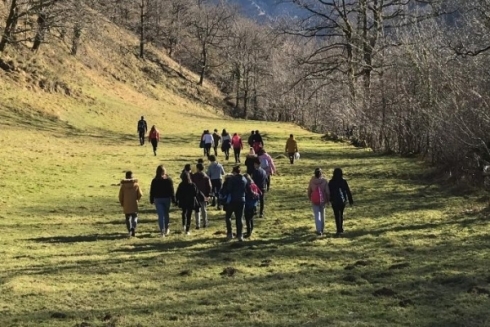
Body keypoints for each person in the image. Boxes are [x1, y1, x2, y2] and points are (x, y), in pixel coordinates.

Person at [224, 165, 248, 241]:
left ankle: (230, 233)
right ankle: (240, 235)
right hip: (241, 199)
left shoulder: (232, 179)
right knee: (240, 218)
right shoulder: (244, 179)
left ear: (234, 172)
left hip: (232, 200)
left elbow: (229, 189)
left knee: (228, 216)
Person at [149, 165, 175, 237]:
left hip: (158, 199)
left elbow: (152, 191)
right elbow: (171, 190)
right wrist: (173, 199)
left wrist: (151, 199)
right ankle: (167, 228)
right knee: (166, 214)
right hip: (166, 199)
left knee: (160, 215)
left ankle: (162, 231)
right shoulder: (168, 180)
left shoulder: (154, 180)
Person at [328, 168, 354, 236]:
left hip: (334, 201)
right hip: (342, 200)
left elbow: (328, 192)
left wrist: (329, 200)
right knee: (341, 214)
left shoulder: (331, 182)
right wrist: (350, 199)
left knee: (336, 215)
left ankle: (338, 229)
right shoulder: (343, 181)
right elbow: (348, 191)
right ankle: (341, 228)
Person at [118, 171, 143, 237]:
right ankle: (133, 227)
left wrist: (122, 203)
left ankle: (129, 230)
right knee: (135, 217)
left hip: (126, 204)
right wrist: (137, 199)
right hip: (134, 204)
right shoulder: (136, 185)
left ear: (126, 177)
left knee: (127, 218)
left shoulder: (123, 186)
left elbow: (120, 196)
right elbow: (140, 194)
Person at [307, 168, 331, 236]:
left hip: (314, 200)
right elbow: (327, 192)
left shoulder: (312, 181)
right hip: (322, 200)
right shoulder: (324, 181)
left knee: (317, 215)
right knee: (322, 214)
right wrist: (328, 199)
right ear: (321, 174)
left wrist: (309, 197)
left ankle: (319, 230)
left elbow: (309, 190)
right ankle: (322, 228)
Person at [191, 163, 212, 229]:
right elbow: (209, 186)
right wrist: (208, 195)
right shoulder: (206, 177)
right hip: (204, 195)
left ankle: (198, 224)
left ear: (197, 168)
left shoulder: (194, 176)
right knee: (204, 209)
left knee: (197, 210)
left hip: (196, 194)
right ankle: (205, 223)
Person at [244, 174, 261, 238]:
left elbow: (249, 194)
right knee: (251, 218)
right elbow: (260, 193)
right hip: (254, 205)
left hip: (248, 204)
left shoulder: (247, 186)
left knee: (247, 219)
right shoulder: (254, 185)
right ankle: (251, 229)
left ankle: (248, 232)